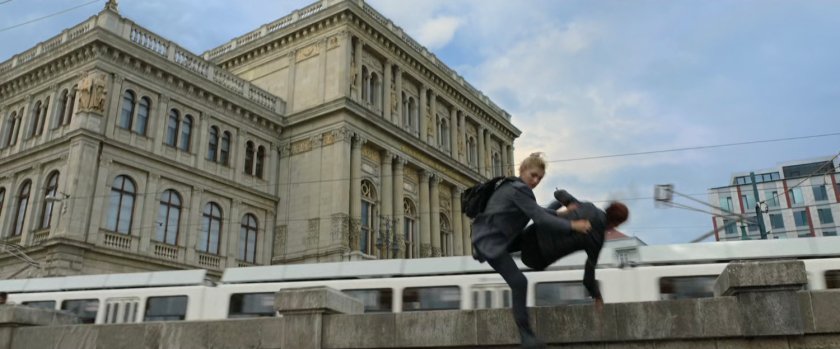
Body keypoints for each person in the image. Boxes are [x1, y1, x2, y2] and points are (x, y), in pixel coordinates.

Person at [471, 153, 591, 348]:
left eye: (539, 178)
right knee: (519, 282)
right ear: (522, 170)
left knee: (535, 233)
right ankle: (526, 336)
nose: (535, 181)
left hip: (501, 237)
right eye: (533, 175)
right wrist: (573, 226)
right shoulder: (519, 190)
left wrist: (560, 213)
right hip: (492, 242)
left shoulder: (514, 187)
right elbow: (540, 217)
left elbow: (538, 211)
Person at [520, 190, 630, 310]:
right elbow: (588, 279)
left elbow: (559, 194)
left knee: (501, 247)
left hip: (534, 232)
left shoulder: (588, 207)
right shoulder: (597, 240)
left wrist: (567, 206)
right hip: (537, 257)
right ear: (616, 223)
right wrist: (597, 297)